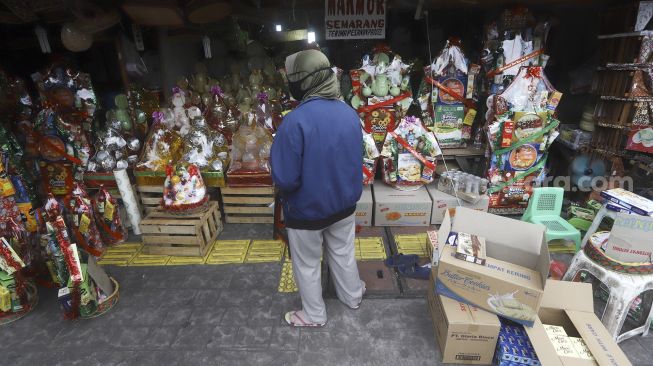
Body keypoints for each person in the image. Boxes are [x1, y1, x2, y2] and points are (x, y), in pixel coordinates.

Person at [271, 49, 365, 327]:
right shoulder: (349, 113)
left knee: (308, 264)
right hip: (344, 206)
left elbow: (285, 179)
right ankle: (353, 296)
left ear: (304, 82)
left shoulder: (294, 121)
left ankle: (313, 315)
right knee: (343, 253)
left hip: (306, 212)